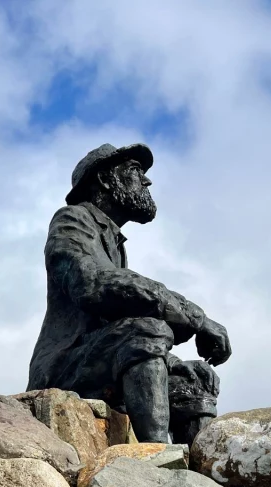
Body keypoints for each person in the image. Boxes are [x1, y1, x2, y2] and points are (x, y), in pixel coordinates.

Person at [28, 143, 231, 444]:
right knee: (147, 331)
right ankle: (156, 461)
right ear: (106, 180)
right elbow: (93, 285)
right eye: (135, 171)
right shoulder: (72, 220)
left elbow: (116, 323)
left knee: (195, 377)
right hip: (62, 367)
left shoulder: (114, 241)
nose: (146, 181)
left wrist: (175, 362)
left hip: (100, 355)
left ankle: (199, 475)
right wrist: (195, 318)